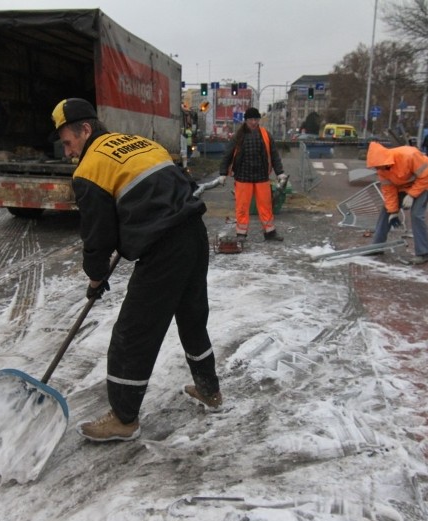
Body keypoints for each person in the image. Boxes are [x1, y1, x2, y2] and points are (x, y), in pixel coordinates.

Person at [51, 98, 222, 442]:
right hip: (194, 235)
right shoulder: (143, 144)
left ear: (85, 130)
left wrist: (96, 276)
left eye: (68, 143)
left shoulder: (89, 169)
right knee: (191, 318)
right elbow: (183, 186)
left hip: (164, 250)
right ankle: (209, 390)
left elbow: (98, 235)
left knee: (132, 333)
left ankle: (124, 419)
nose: (69, 153)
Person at [217, 107, 288, 242]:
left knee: (266, 206)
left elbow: (274, 155)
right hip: (243, 177)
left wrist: (280, 173)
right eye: (251, 120)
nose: (254, 122)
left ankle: (270, 233)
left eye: (256, 119)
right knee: (242, 207)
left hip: (262, 177)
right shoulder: (238, 136)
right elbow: (228, 155)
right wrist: (223, 173)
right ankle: (241, 234)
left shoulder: (265, 135)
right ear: (246, 121)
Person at [366, 142, 428, 265]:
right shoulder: (382, 169)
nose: (378, 169)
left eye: (379, 166)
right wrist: (393, 212)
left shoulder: (409, 155)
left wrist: (412, 195)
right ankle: (377, 246)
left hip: (423, 185)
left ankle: (423, 253)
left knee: (417, 215)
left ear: (386, 160)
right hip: (402, 188)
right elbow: (389, 191)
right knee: (386, 211)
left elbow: (426, 176)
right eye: (376, 167)